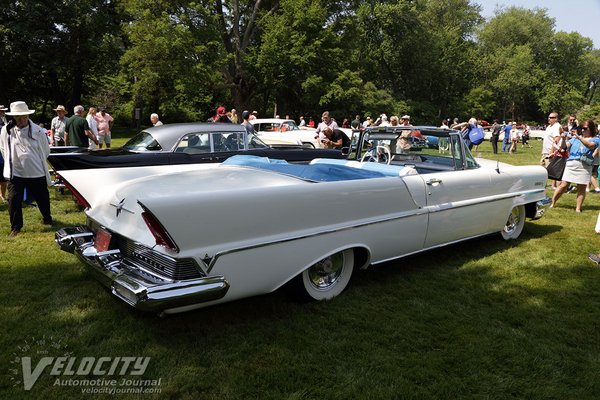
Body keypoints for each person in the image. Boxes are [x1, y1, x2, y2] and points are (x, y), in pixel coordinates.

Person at [0, 101, 53, 236]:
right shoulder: (6, 131)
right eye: (19, 117)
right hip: (16, 172)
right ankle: (16, 227)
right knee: (14, 199)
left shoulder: (38, 131)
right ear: (14, 118)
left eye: (24, 116)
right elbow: (3, 149)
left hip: (36, 171)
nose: (22, 120)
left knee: (42, 197)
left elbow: (46, 150)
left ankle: (47, 219)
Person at [550, 120, 600, 212]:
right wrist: (564, 139)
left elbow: (590, 145)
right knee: (563, 185)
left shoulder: (596, 139)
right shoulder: (574, 139)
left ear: (591, 128)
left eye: (585, 128)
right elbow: (564, 148)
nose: (583, 130)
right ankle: (552, 203)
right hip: (571, 164)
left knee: (581, 187)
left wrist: (579, 137)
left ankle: (578, 209)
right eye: (581, 128)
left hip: (585, 166)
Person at [542, 112, 563, 189]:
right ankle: (549, 185)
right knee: (543, 169)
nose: (549, 119)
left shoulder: (557, 127)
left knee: (550, 170)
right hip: (545, 152)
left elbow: (556, 140)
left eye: (551, 117)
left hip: (550, 153)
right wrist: (543, 151)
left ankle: (559, 187)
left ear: (556, 119)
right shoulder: (549, 127)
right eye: (549, 117)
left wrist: (552, 152)